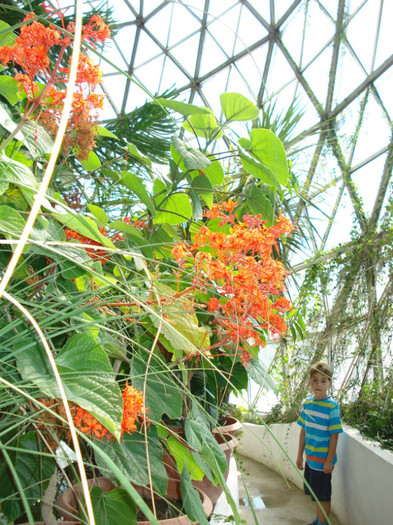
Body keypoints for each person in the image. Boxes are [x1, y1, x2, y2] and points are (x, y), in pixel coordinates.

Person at [296, 361, 343, 525]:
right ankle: (318, 520)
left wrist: (329, 461)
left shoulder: (332, 406)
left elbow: (334, 435)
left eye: (323, 381)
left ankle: (323, 523)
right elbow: (303, 431)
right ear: (309, 382)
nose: (318, 384)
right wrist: (299, 456)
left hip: (323, 463)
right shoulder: (307, 404)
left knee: (323, 496)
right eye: (315, 379)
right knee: (315, 494)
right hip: (310, 460)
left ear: (330, 384)